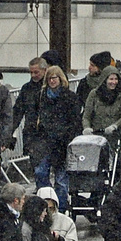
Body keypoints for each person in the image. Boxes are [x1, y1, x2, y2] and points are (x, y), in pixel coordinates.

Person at [25, 66, 83, 211]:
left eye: (54, 78)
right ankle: (45, 205)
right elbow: (32, 118)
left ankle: (61, 209)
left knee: (61, 181)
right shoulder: (40, 97)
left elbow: (75, 122)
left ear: (60, 78)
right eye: (49, 78)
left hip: (63, 144)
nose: (52, 81)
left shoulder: (70, 97)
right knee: (40, 173)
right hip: (44, 143)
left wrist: (68, 137)